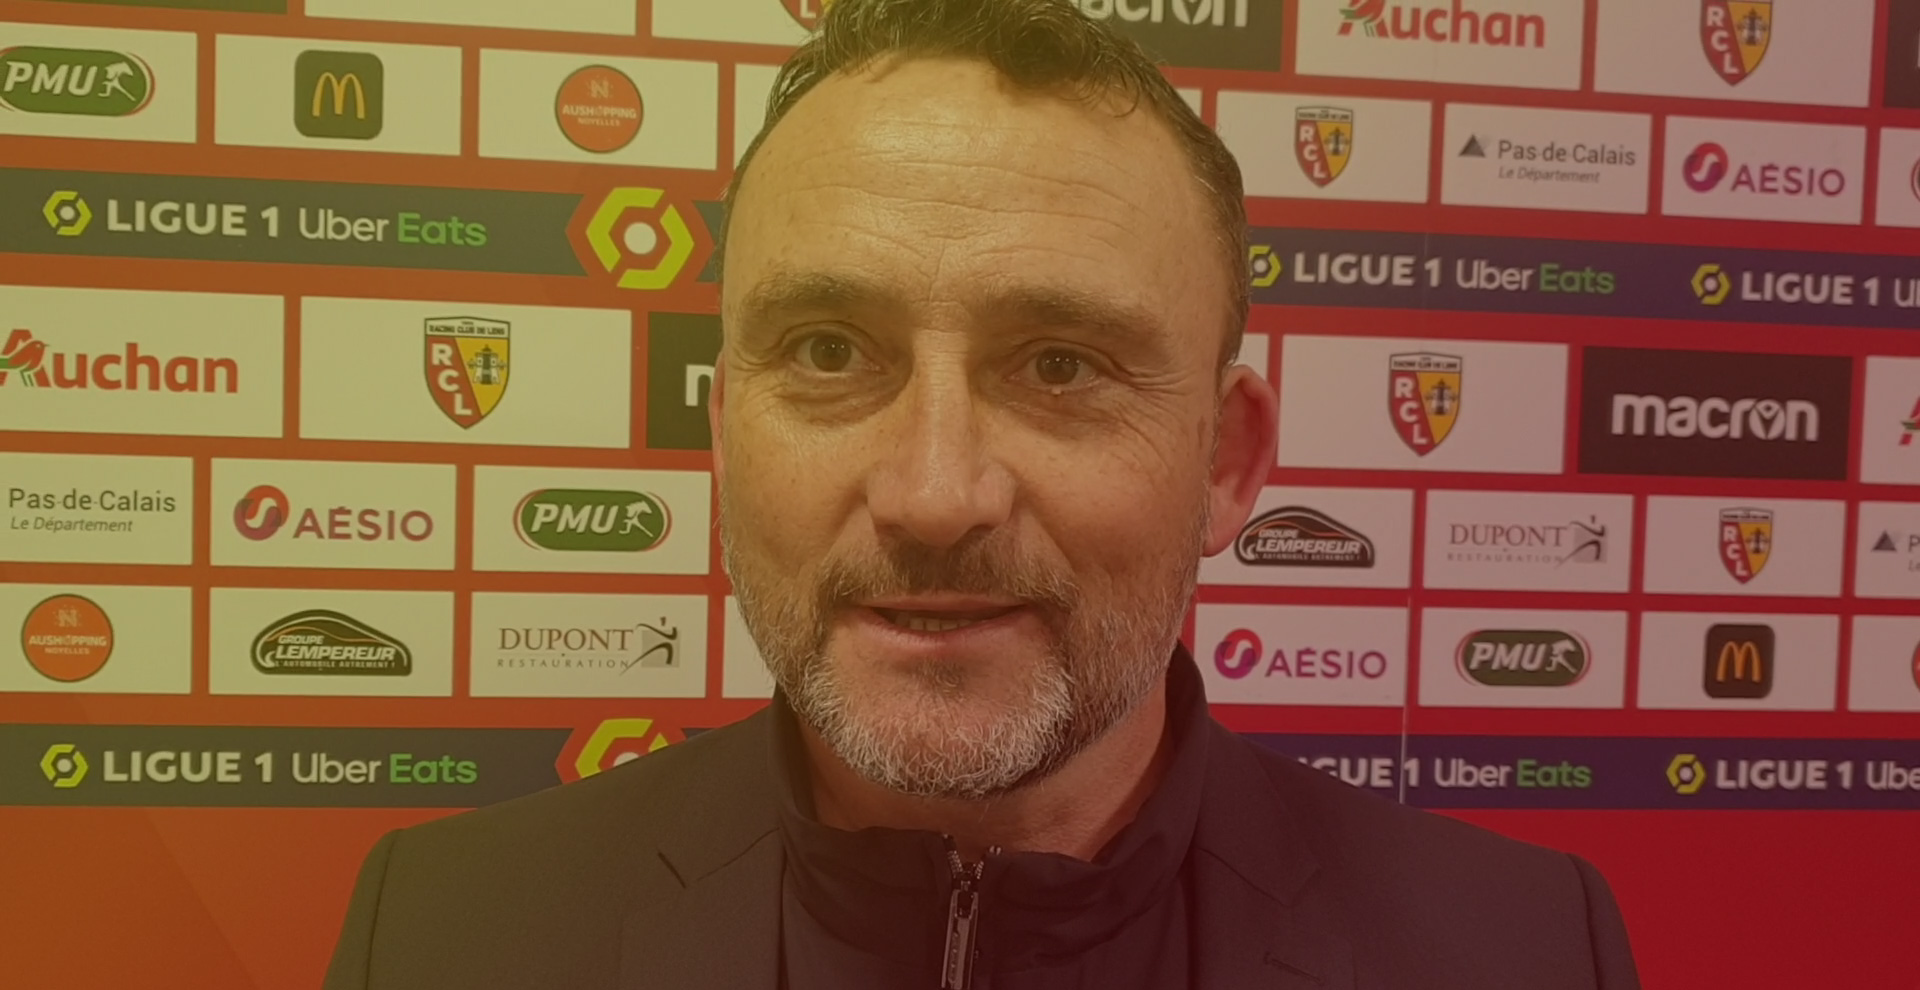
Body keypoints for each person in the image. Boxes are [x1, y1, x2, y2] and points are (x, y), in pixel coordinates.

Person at [322, 1, 1641, 986]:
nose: (934, 492)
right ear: (725, 434)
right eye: (828, 353)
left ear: (1225, 463)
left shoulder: (1522, 951)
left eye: (1060, 365)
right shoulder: (441, 932)